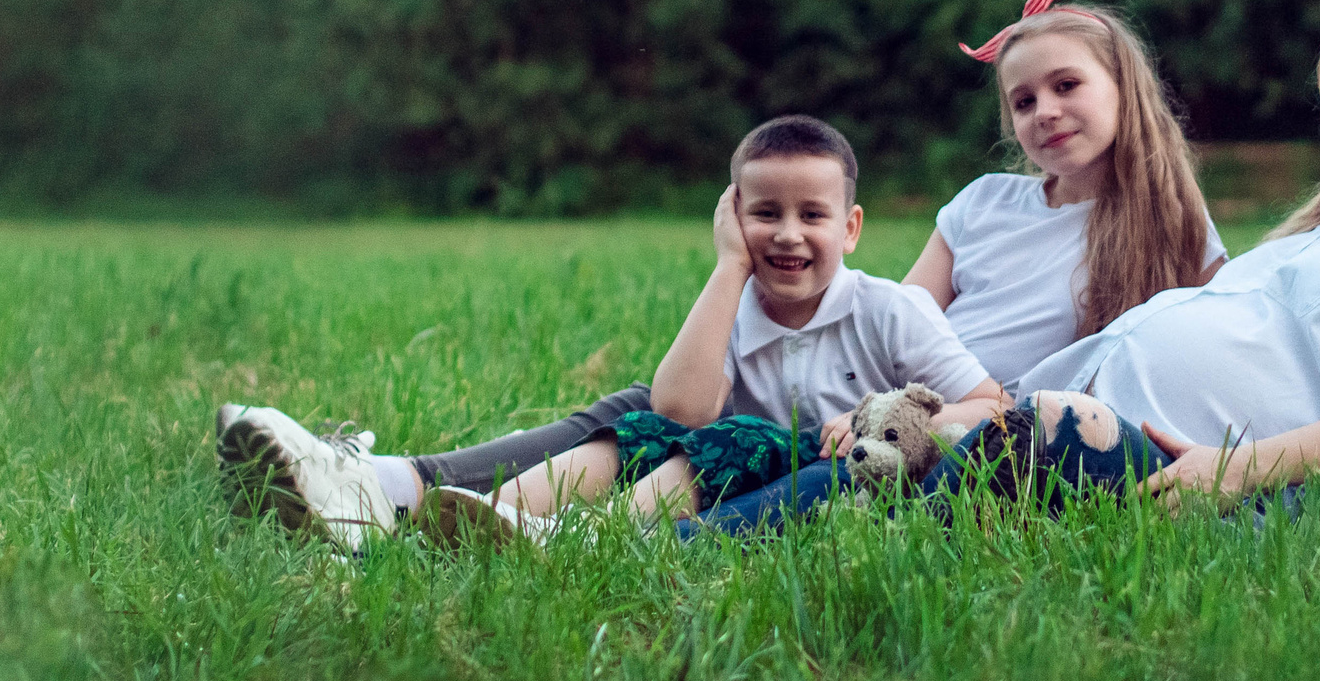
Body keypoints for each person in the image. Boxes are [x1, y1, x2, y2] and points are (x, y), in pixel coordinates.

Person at [219, 115, 1001, 549]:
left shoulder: (890, 309)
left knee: (729, 440)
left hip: (826, 489)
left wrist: (890, 415)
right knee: (640, 413)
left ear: (853, 226)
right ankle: (407, 499)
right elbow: (679, 407)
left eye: (812, 216)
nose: (788, 234)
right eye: (764, 213)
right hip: (717, 462)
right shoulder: (735, 300)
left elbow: (990, 404)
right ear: (733, 216)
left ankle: (556, 534)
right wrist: (728, 270)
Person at [935, 1, 1320, 528]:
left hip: (1158, 462)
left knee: (932, 485)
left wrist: (1236, 470)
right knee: (874, 462)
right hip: (1052, 418)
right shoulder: (1316, 236)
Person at [681, 0, 1227, 534]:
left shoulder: (1175, 228)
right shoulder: (985, 202)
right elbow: (902, 312)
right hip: (896, 393)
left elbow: (1216, 351)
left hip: (1003, 437)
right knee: (673, 400)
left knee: (843, 477)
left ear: (1124, 87)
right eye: (1023, 100)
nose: (1043, 111)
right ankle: (591, 465)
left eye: (1066, 86)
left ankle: (684, 542)